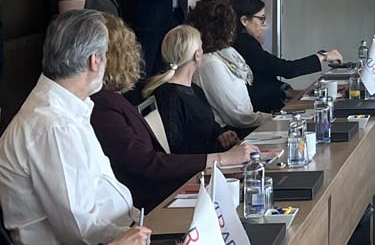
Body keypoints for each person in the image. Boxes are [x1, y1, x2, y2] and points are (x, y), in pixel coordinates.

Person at [0, 10, 150, 245]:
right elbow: (81, 232)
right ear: (95, 60)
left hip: (122, 229)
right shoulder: (54, 125)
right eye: (105, 55)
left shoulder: (66, 107)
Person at [90, 15, 257, 210]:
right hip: (157, 199)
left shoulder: (113, 101)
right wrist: (222, 158)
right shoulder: (106, 105)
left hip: (177, 182)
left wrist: (220, 145)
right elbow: (147, 162)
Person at [143, 24, 246, 154]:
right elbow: (176, 149)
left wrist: (221, 134)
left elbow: (208, 125)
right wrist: (216, 146)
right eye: (201, 48)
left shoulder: (195, 89)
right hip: (200, 163)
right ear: (197, 55)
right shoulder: (169, 96)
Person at [231, 0, 343, 112]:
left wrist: (287, 91)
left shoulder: (244, 41)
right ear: (244, 20)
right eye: (261, 19)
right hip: (263, 111)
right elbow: (286, 69)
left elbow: (263, 75)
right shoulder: (244, 43)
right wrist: (323, 57)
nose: (264, 24)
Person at [187, 0, 264, 130]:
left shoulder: (227, 53)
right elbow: (239, 117)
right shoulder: (211, 64)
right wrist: (276, 119)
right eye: (231, 23)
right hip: (232, 132)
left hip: (245, 124)